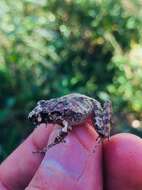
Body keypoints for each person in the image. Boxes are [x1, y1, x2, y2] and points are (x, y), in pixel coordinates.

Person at [0, 120, 142, 190]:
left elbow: (65, 132)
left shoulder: (63, 120)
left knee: (101, 134)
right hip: (79, 105)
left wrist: (52, 147)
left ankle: (103, 135)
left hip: (88, 108)